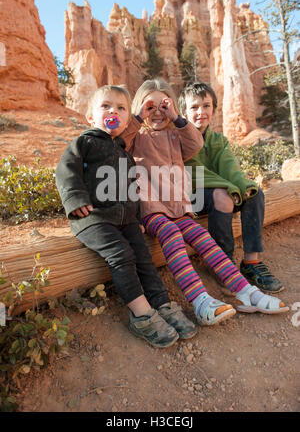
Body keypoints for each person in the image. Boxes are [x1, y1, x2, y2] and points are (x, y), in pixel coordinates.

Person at [121, 78, 288, 327]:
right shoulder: (137, 136)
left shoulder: (175, 136)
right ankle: (199, 299)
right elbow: (118, 143)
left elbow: (196, 143)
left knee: (204, 239)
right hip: (152, 207)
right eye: (150, 106)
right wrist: (137, 117)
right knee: (171, 235)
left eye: (162, 106)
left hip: (179, 207)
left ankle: (245, 292)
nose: (156, 112)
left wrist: (177, 118)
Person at [56, 84, 197, 348]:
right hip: (94, 219)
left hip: (125, 220)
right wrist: (75, 199)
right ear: (90, 117)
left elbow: (131, 188)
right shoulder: (84, 142)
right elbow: (66, 170)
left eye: (121, 108)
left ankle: (162, 305)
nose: (114, 112)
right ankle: (142, 314)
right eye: (106, 106)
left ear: (126, 118)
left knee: (144, 258)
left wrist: (136, 218)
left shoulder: (124, 151)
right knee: (122, 255)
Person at [178, 81, 284, 294]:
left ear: (214, 109)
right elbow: (195, 173)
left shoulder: (218, 140)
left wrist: (242, 185)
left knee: (254, 193)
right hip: (190, 198)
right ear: (183, 112)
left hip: (219, 191)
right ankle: (223, 266)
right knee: (222, 196)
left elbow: (229, 167)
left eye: (206, 106)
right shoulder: (180, 138)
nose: (201, 112)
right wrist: (229, 187)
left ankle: (251, 263)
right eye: (194, 107)